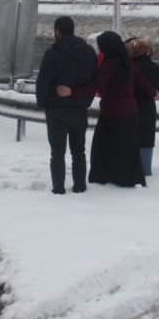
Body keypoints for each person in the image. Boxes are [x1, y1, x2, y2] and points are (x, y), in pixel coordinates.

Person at [57, 31, 159, 188]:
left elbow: (94, 85)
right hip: (131, 113)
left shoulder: (109, 64)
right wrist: (154, 93)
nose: (100, 50)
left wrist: (72, 91)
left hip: (112, 113)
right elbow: (142, 81)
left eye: (101, 47)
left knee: (103, 147)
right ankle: (127, 178)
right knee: (126, 149)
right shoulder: (127, 62)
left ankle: (104, 176)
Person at [36, 16, 99, 194]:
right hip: (79, 109)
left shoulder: (52, 53)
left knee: (57, 152)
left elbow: (43, 82)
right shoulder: (88, 52)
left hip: (56, 110)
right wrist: (83, 100)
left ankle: (58, 188)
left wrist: (43, 103)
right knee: (78, 150)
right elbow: (94, 80)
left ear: (57, 32)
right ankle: (80, 186)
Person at [125, 38, 159, 176]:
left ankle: (128, 168)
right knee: (146, 139)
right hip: (147, 109)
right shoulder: (156, 69)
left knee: (129, 137)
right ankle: (145, 169)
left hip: (128, 107)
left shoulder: (127, 68)